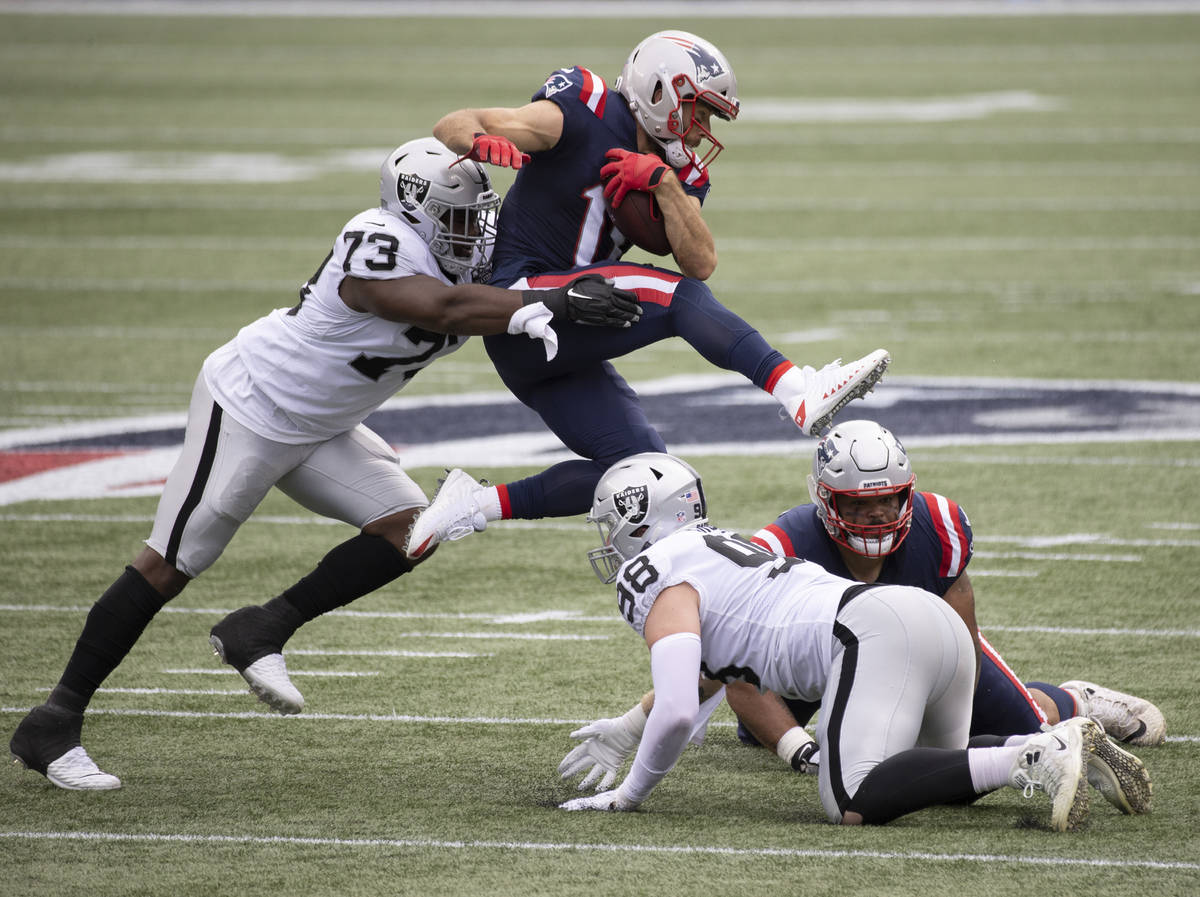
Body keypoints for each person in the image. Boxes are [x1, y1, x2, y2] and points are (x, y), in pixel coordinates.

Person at [7, 137, 640, 791]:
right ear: (414, 209)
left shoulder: (474, 254)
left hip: (323, 425)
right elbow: (437, 307)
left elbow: (534, 272)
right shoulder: (376, 238)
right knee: (168, 563)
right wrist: (550, 305)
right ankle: (54, 721)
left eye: (477, 215)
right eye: (457, 216)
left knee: (411, 529)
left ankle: (261, 626)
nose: (472, 230)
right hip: (251, 404)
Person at [407, 30, 890, 559]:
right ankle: (796, 389)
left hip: (571, 327)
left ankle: (474, 503)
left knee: (641, 470)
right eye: (697, 111)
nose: (703, 129)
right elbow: (452, 124)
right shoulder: (583, 108)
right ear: (660, 93)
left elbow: (701, 260)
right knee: (676, 299)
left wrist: (662, 182)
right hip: (520, 305)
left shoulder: (678, 168)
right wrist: (479, 141)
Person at [559, 421, 1157, 815]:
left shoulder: (656, 573)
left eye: (613, 525)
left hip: (872, 634)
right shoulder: (723, 550)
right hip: (921, 623)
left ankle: (1031, 752)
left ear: (639, 521)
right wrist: (629, 725)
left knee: (856, 799)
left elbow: (681, 707)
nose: (611, 542)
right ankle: (1055, 745)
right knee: (938, 782)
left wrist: (629, 795)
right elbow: (716, 670)